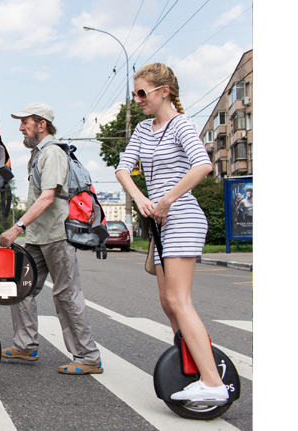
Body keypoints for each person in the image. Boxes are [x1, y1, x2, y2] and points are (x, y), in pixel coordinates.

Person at [115, 63, 227, 402]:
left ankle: (213, 383)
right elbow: (123, 168)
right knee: (167, 302)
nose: (137, 100)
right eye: (135, 94)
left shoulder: (181, 124)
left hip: (182, 217)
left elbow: (203, 165)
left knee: (179, 300)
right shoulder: (144, 130)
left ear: (164, 91)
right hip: (160, 221)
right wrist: (140, 198)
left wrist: (166, 200)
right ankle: (190, 363)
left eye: (142, 93)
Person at [0, 103, 103, 374]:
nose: (21, 127)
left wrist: (16, 228)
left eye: (25, 122)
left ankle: (88, 357)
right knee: (19, 288)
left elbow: (47, 197)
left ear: (41, 125)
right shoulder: (38, 154)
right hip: (38, 237)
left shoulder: (53, 153)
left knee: (66, 294)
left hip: (57, 236)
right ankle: (25, 344)